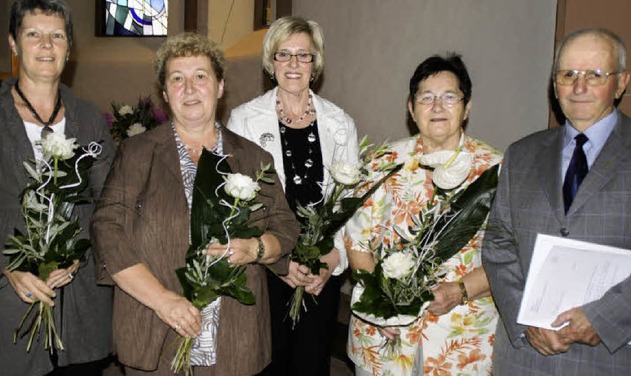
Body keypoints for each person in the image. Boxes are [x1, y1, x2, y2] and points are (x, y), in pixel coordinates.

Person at [91, 33, 299, 376]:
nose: (189, 89)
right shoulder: (137, 153)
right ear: (164, 93)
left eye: (200, 77)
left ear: (219, 86)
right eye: (177, 79)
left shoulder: (251, 157)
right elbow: (107, 230)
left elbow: (286, 227)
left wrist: (256, 248)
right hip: (156, 328)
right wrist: (163, 301)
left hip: (234, 335)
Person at [482, 27, 631, 375]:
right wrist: (526, 318)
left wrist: (603, 318)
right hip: (527, 356)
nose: (579, 87)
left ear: (622, 82)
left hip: (615, 358)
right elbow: (498, 242)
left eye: (595, 75)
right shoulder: (522, 154)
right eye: (568, 74)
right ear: (554, 84)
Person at [345, 54, 502, 375]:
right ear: (411, 107)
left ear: (467, 106)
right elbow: (358, 242)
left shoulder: (496, 170)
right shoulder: (382, 162)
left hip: (461, 334)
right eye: (426, 98)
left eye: (449, 97)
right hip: (386, 334)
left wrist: (460, 291)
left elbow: (512, 256)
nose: (437, 106)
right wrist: (380, 307)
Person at [227, 16, 359, 376]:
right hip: (266, 266)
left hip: (321, 269)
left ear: (316, 63)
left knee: (311, 365)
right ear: (271, 62)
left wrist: (335, 258)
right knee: (267, 363)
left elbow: (352, 205)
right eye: (284, 54)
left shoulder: (340, 123)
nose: (294, 64)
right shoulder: (243, 120)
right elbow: (235, 205)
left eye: (303, 55)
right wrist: (279, 264)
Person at [0, 1, 115, 375]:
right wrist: (8, 263)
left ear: (69, 49)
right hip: (10, 305)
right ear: (13, 45)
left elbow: (108, 202)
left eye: (57, 36)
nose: (46, 45)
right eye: (33, 34)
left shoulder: (89, 117)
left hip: (80, 305)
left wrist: (78, 250)